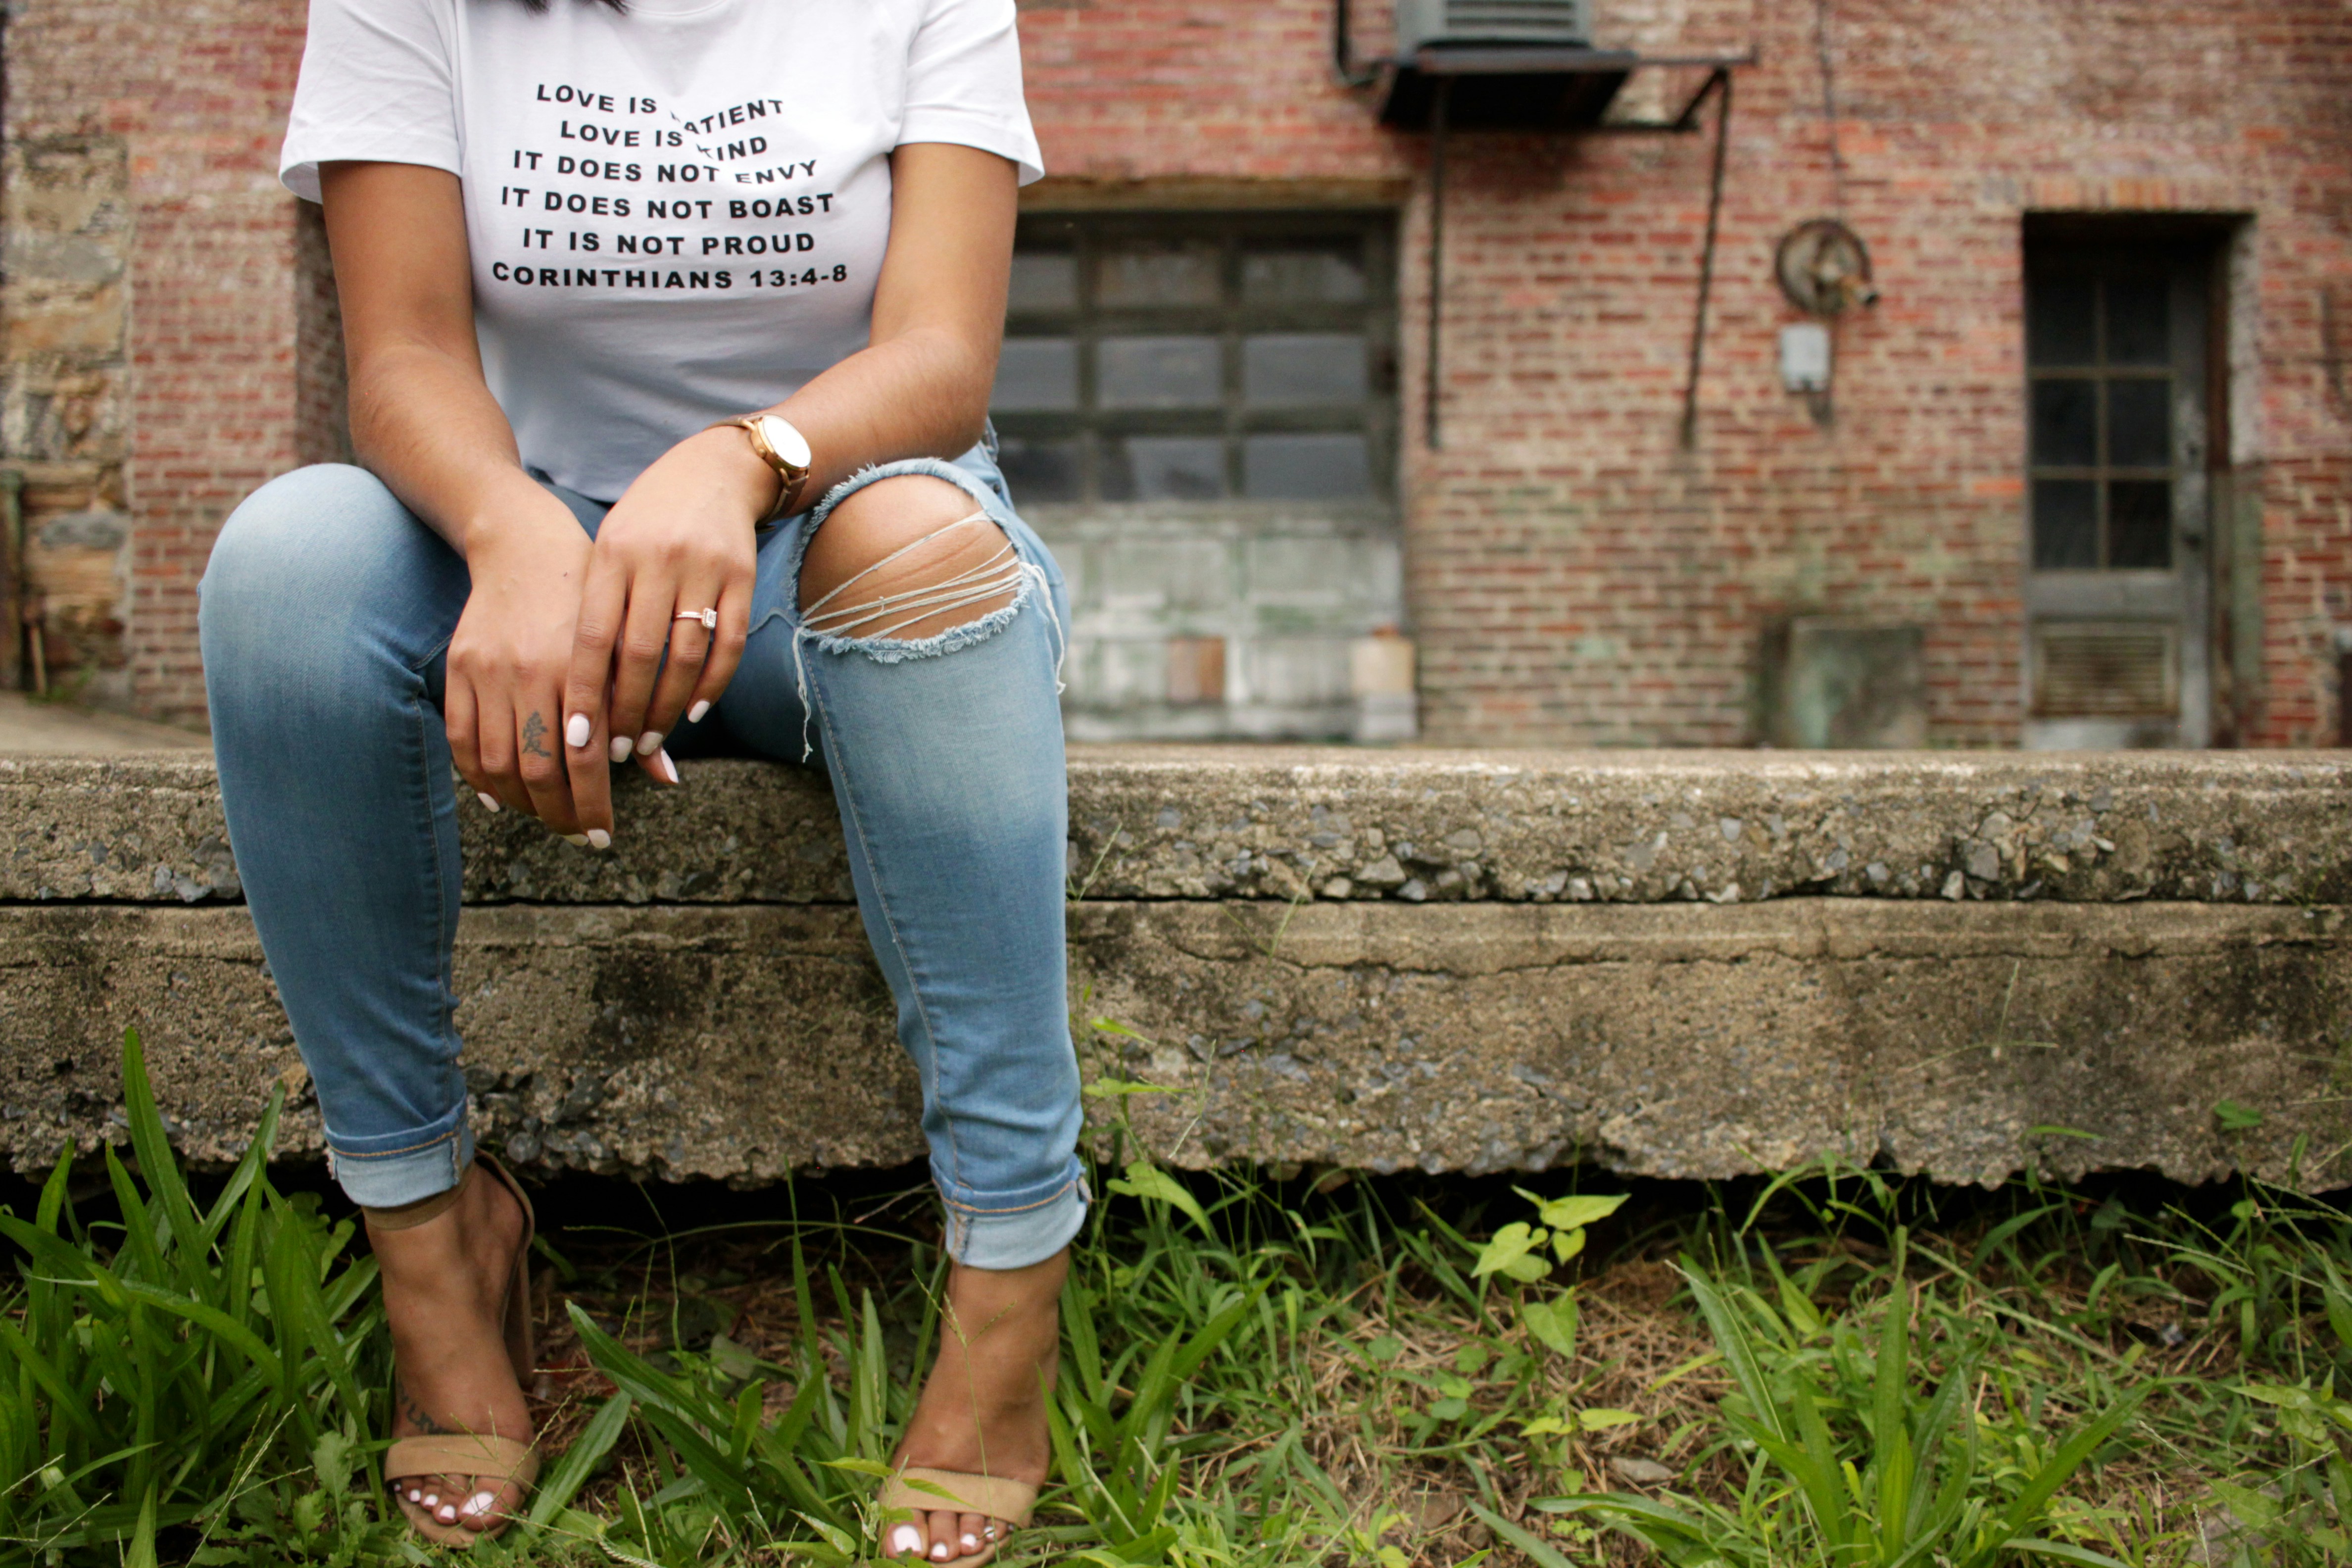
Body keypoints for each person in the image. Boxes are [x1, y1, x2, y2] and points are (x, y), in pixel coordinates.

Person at [198, 0, 1080, 1559]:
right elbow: (402, 357)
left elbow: (943, 358)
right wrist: (516, 535)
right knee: (288, 566)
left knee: (922, 551)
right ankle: (435, 1245)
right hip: (523, 564)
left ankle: (1012, 1289)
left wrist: (743, 458)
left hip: (823, 541)